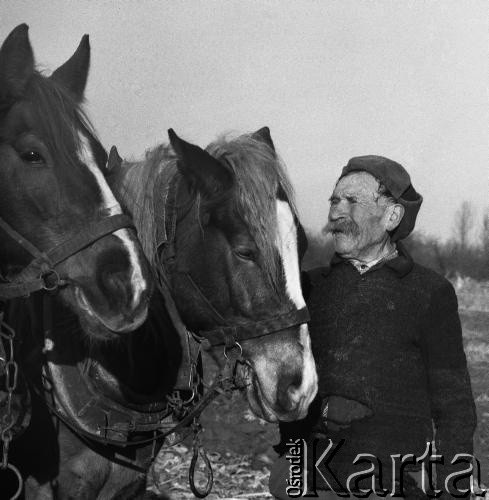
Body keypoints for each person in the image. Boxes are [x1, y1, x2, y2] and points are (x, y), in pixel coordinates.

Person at [269, 155, 477, 499]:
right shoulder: (310, 288)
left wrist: (453, 486)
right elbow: (283, 386)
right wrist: (320, 409)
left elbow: (453, 403)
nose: (337, 212)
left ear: (392, 216)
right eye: (335, 200)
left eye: (352, 201)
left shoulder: (430, 292)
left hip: (394, 479)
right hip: (310, 475)